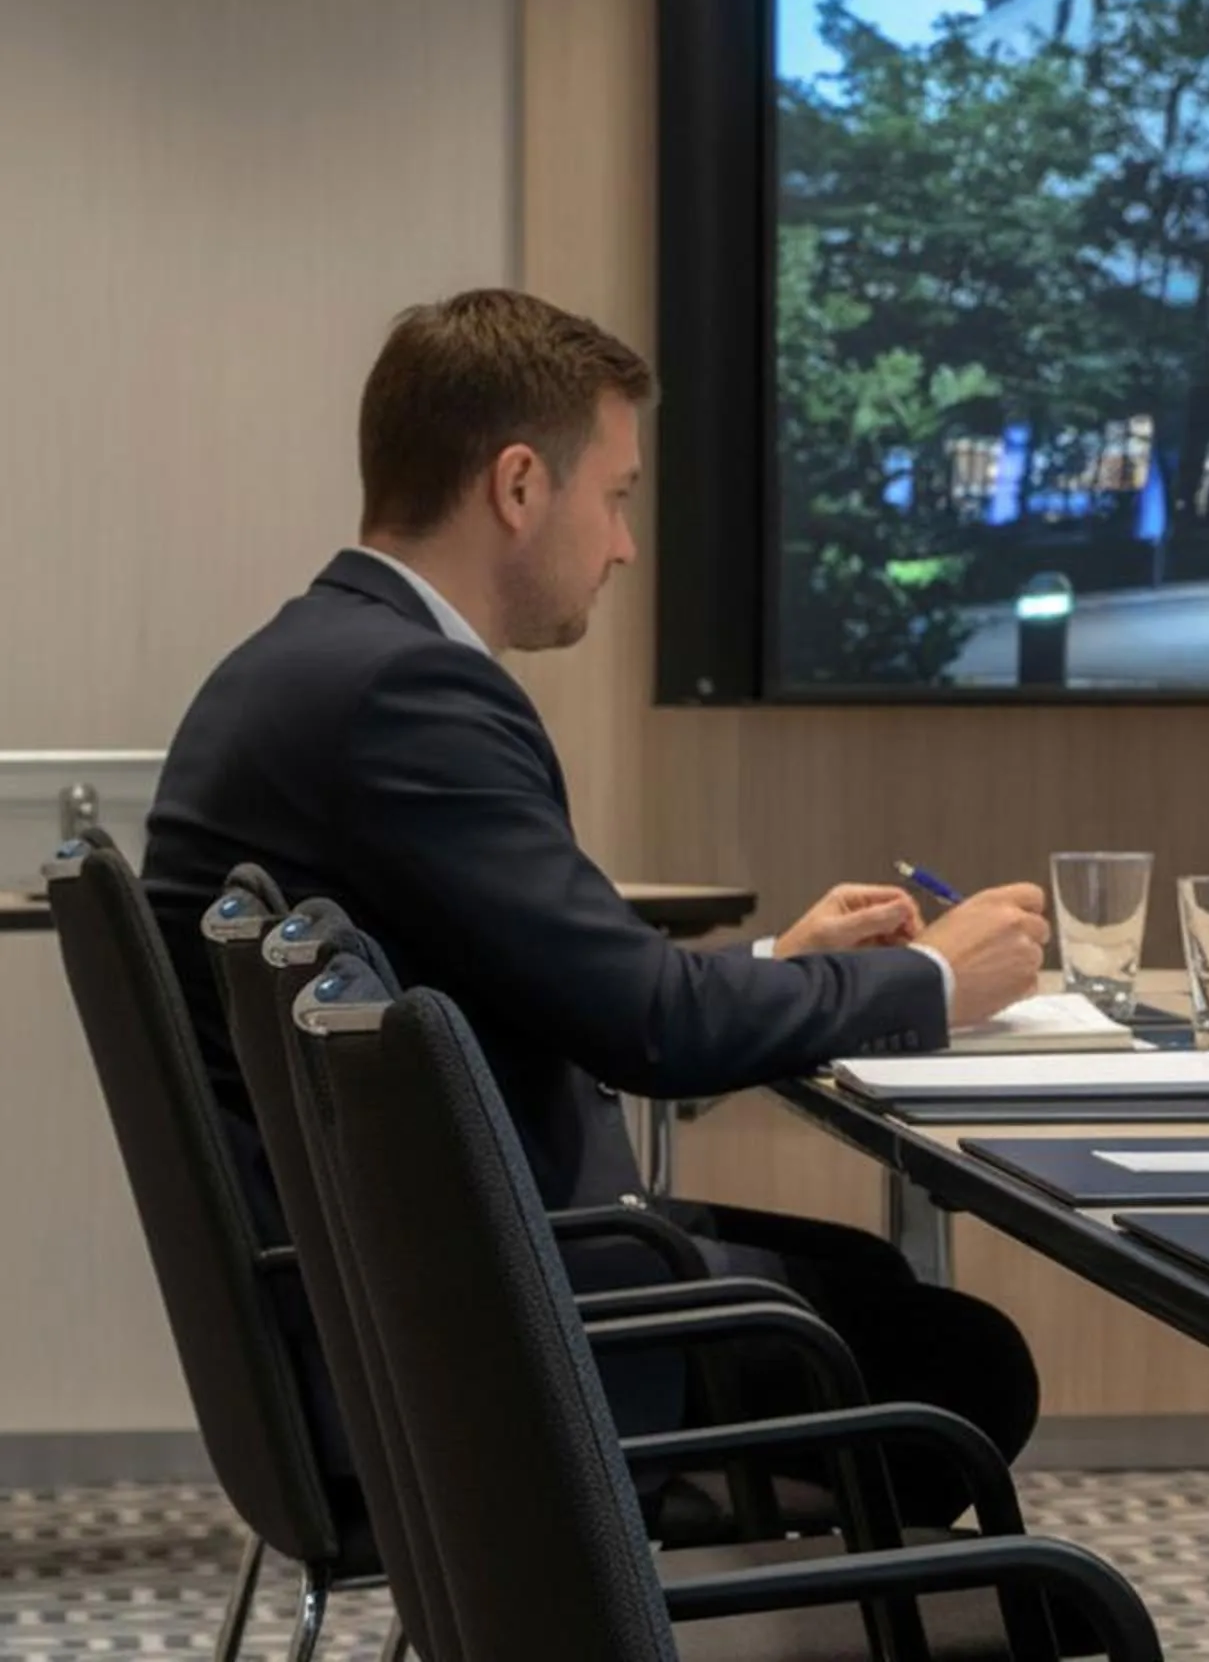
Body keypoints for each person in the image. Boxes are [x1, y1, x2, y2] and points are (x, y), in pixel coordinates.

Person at [142, 288, 1052, 1523]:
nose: (624, 544)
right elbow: (647, 1024)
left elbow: (562, 982)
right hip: (490, 1346)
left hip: (400, 1298)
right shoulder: (406, 692)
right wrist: (935, 978)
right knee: (959, 1365)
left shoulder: (301, 663)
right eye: (616, 495)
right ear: (519, 484)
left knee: (878, 1290)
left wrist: (788, 957)